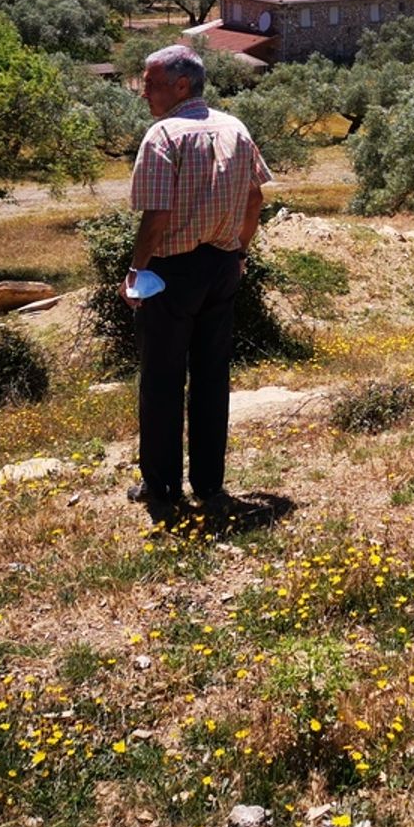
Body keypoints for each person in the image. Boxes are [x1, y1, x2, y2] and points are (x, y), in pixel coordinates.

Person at [126, 45, 270, 518]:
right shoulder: (236, 128)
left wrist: (136, 268)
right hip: (223, 266)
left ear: (181, 85)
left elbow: (157, 215)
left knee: (162, 380)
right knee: (212, 378)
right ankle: (209, 483)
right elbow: (255, 198)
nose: (143, 91)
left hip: (171, 272)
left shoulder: (164, 136)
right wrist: (240, 251)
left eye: (150, 83)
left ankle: (161, 486)